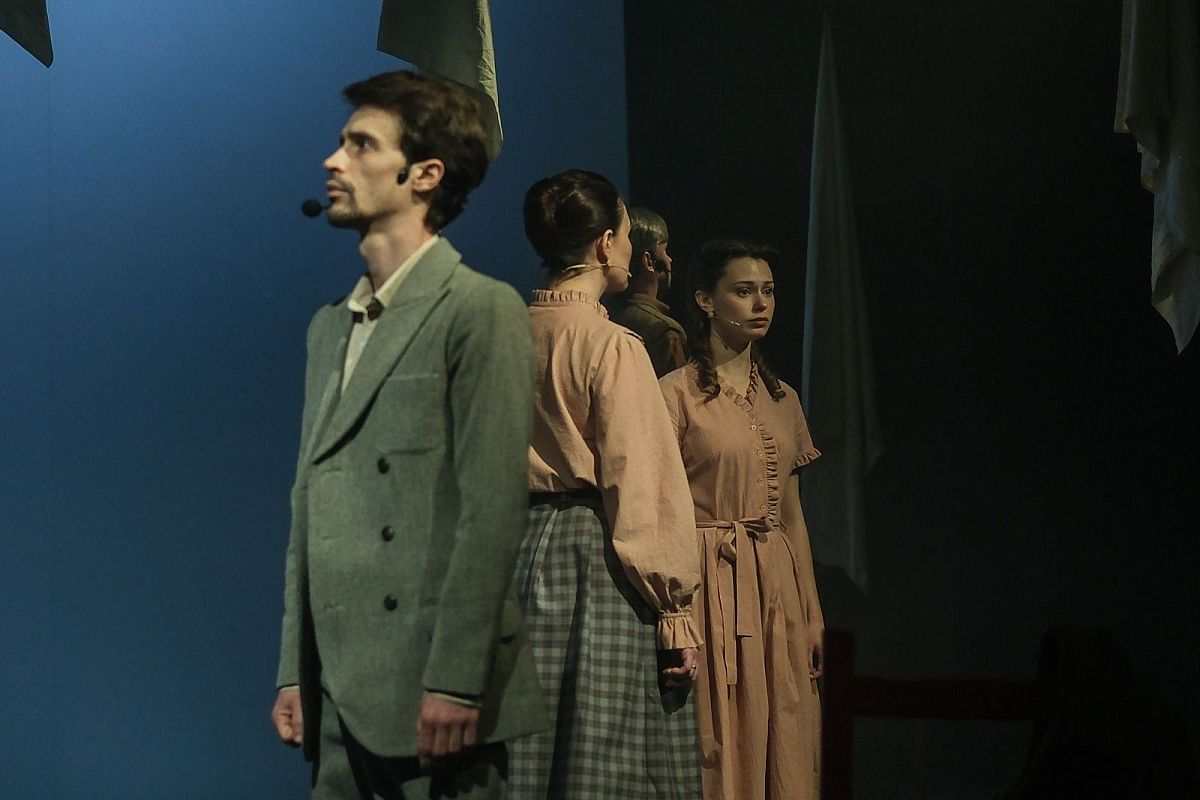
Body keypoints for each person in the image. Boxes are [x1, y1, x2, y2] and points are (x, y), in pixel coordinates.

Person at [270, 70, 547, 799]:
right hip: (340, 690)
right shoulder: (329, 327)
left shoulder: (478, 309)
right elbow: (309, 509)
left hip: (431, 691)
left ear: (425, 173)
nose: (334, 160)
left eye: (361, 145)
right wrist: (295, 670)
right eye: (341, 143)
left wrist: (456, 680)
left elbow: (491, 511)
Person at [510, 169, 703, 799]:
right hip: (593, 566)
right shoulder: (611, 346)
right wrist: (675, 614)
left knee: (525, 758)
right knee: (604, 758)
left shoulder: (500, 337)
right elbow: (642, 484)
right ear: (604, 245)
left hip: (511, 557)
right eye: (623, 233)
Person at [658, 239, 825, 800]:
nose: (761, 304)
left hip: (775, 584)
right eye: (744, 291)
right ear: (706, 300)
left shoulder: (783, 399)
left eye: (768, 291)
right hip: (709, 583)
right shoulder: (675, 395)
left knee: (785, 723)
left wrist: (812, 613)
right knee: (719, 732)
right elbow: (661, 511)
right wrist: (675, 613)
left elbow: (793, 517)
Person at [606, 207, 688, 377]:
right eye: (664, 251)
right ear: (649, 261)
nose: (669, 259)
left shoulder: (606, 313)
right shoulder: (666, 332)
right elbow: (677, 392)